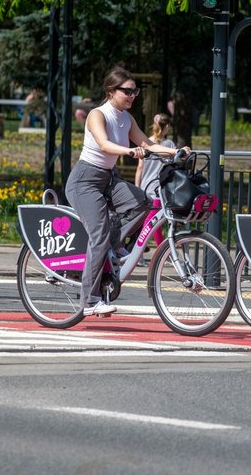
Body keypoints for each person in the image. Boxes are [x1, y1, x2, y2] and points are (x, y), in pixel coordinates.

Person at [65, 67, 188, 316]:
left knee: (144, 202)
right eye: (127, 91)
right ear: (111, 91)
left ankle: (113, 242)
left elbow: (148, 143)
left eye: (135, 91)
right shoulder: (97, 115)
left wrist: (175, 152)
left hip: (108, 179)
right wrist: (128, 152)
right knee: (97, 236)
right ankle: (90, 301)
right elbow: (104, 144)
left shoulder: (126, 118)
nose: (133, 96)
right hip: (85, 181)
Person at [133, 113, 176, 266]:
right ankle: (140, 255)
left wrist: (137, 187)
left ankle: (162, 253)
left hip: (145, 187)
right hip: (158, 189)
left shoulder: (145, 142)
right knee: (151, 223)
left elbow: (140, 168)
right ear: (167, 127)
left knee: (151, 222)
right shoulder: (169, 144)